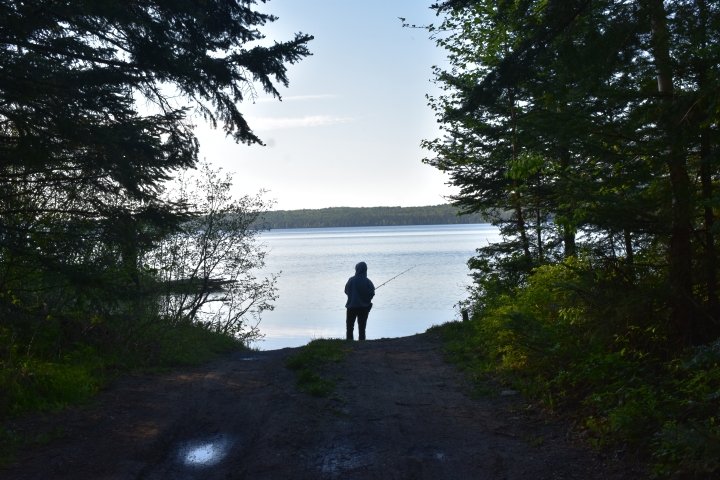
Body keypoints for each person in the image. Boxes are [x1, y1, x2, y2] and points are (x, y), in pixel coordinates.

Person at [344, 261, 375, 341]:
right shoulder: (368, 281)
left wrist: (352, 296)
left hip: (351, 307)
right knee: (362, 328)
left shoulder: (351, 280)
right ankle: (362, 343)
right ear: (365, 270)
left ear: (356, 269)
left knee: (350, 328)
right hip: (364, 308)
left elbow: (346, 291)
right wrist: (366, 299)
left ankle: (349, 343)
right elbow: (372, 293)